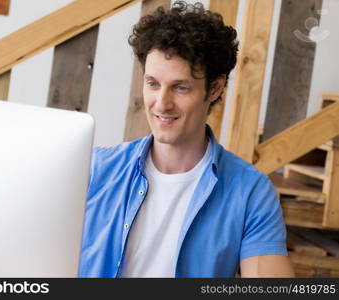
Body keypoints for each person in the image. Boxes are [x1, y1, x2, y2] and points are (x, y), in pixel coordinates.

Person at [78, 1, 295, 278]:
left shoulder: (250, 192)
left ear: (215, 88)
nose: (161, 104)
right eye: (153, 84)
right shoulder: (95, 169)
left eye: (180, 87)